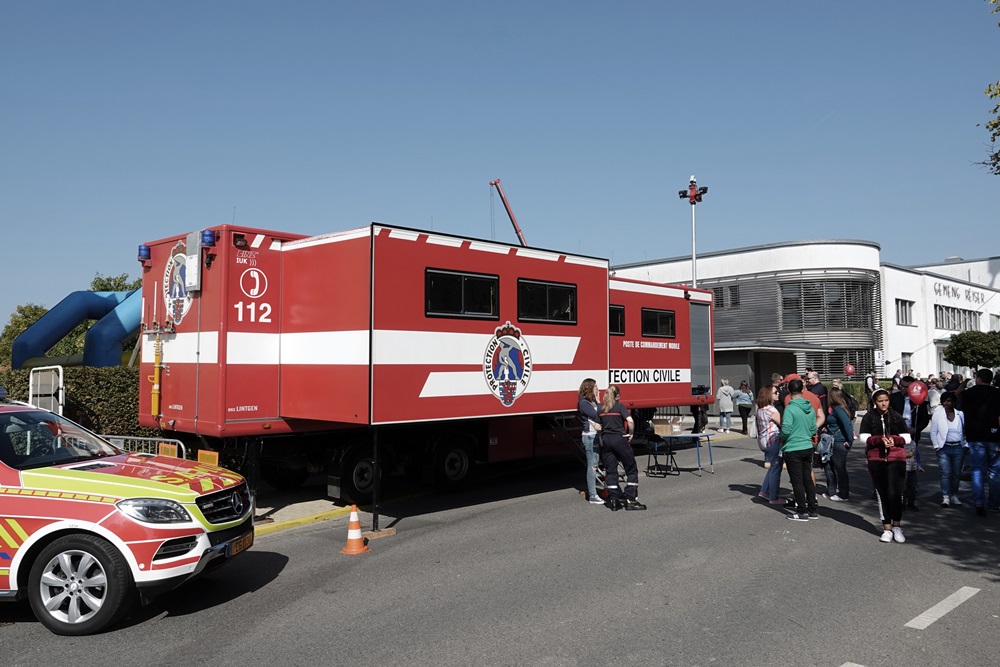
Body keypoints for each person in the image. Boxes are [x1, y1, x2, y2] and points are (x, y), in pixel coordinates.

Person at [859, 389, 910, 543]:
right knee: (882, 493)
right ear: (875, 402)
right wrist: (879, 441)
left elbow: (906, 438)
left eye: (886, 400)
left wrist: (894, 440)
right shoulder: (869, 417)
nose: (884, 403)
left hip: (896, 458)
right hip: (876, 459)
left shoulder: (896, 417)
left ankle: (897, 526)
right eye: (880, 401)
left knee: (896, 493)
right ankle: (886, 528)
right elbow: (864, 437)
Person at [959, 368, 1000, 516]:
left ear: (978, 378)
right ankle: (994, 503)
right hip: (994, 436)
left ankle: (979, 502)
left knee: (977, 470)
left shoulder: (969, 394)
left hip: (975, 436)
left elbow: (959, 406)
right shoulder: (997, 393)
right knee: (995, 472)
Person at [598, 385, 645, 511]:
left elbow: (596, 425)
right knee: (631, 468)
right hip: (619, 439)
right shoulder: (620, 407)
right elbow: (630, 421)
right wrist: (631, 433)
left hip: (606, 441)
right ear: (617, 395)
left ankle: (614, 500)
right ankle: (630, 499)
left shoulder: (601, 408)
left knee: (611, 470)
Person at [781, 378, 819, 521]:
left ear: (789, 391)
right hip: (807, 445)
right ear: (803, 390)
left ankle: (801, 511)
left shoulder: (790, 408)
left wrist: (783, 437)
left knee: (797, 481)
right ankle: (813, 509)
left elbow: (786, 429)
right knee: (807, 479)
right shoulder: (808, 407)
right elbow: (813, 428)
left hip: (793, 447)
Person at [929, 391, 966, 508]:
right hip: (944, 447)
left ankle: (954, 495)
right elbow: (933, 432)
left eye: (949, 401)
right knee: (945, 473)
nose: (947, 403)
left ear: (954, 402)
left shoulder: (960, 414)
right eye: (944, 401)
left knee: (956, 473)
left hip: (958, 447)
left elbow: (965, 431)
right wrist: (936, 446)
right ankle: (945, 496)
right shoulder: (937, 414)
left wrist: (966, 445)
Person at [823, 387, 855, 501]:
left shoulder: (838, 409)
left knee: (839, 468)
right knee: (829, 466)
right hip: (834, 440)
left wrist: (850, 440)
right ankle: (831, 490)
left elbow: (847, 424)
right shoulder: (839, 408)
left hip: (839, 441)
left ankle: (843, 493)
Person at [755, 385, 785, 504]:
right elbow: (783, 424)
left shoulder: (760, 409)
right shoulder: (771, 410)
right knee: (776, 467)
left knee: (773, 466)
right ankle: (773, 497)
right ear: (769, 395)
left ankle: (765, 490)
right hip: (772, 440)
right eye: (775, 392)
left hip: (763, 440)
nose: (778, 394)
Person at [577, 378, 605, 505]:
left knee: (595, 464)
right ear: (589, 388)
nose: (598, 389)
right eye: (595, 387)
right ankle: (593, 495)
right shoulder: (583, 403)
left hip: (595, 435)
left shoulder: (592, 401)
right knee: (592, 466)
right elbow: (597, 415)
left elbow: (602, 412)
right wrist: (599, 402)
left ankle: (594, 492)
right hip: (589, 436)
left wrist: (598, 401)